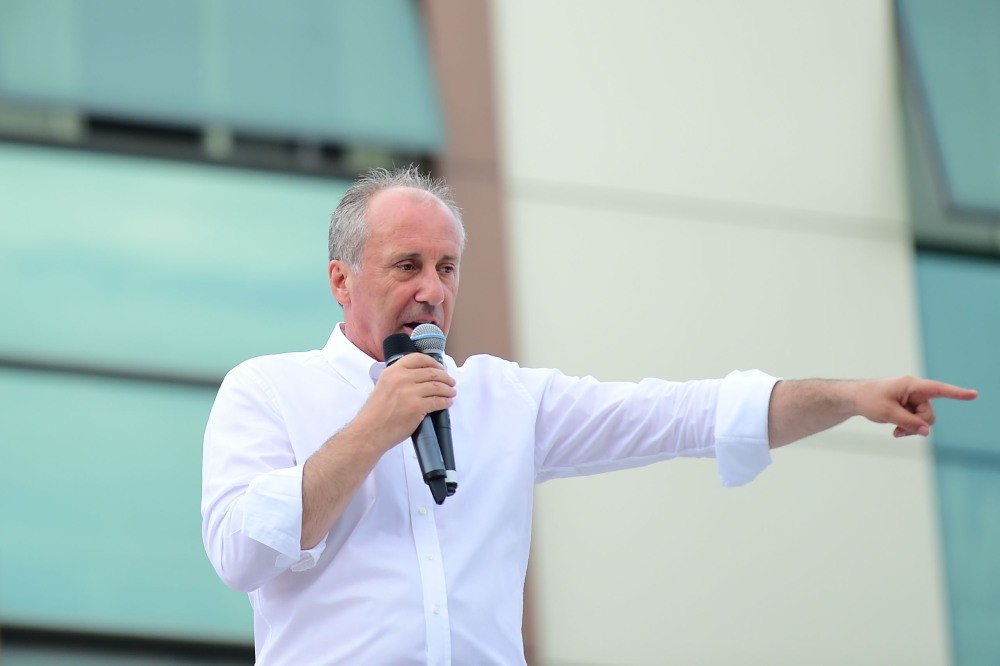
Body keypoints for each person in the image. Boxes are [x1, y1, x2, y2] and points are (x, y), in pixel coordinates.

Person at [201, 166, 977, 665]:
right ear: (342, 279)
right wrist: (375, 428)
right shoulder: (267, 391)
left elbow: (683, 413)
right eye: (407, 266)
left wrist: (848, 397)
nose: (432, 289)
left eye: (446, 268)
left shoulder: (503, 401)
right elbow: (240, 553)